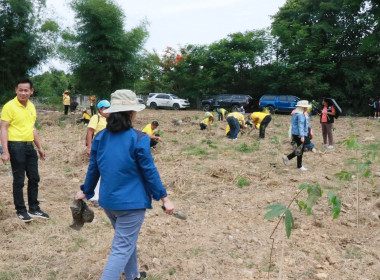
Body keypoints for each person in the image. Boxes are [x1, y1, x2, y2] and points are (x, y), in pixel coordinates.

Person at [75, 89, 174, 280]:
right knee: (121, 248)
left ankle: (133, 275)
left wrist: (86, 191)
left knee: (127, 240)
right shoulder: (138, 138)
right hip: (131, 204)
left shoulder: (101, 137)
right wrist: (164, 198)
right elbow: (150, 171)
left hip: (109, 203)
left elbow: (93, 168)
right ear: (131, 113)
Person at [0, 78, 49, 222]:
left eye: (26, 90)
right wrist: (5, 151)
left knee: (34, 177)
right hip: (15, 146)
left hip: (29, 146)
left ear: (31, 91)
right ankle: (21, 210)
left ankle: (34, 208)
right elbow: (4, 128)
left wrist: (39, 147)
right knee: (19, 180)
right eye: (20, 90)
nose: (23, 93)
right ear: (16, 90)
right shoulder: (9, 106)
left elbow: (32, 128)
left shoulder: (31, 107)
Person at [282, 100, 309, 171]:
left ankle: (292, 161)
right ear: (302, 107)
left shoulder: (296, 114)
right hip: (299, 134)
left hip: (294, 133)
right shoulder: (300, 115)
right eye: (305, 107)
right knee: (300, 150)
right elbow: (300, 126)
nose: (307, 108)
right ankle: (296, 164)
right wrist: (302, 136)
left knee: (299, 150)